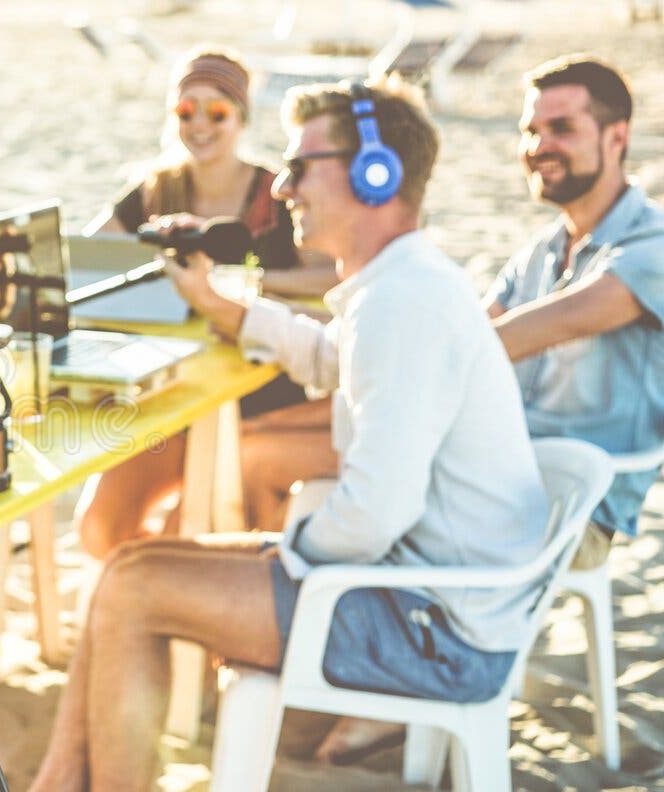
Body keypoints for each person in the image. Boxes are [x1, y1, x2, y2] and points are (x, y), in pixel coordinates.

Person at [28, 75, 551, 791]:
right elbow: (327, 356)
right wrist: (213, 300)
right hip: (418, 591)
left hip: (432, 628)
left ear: (376, 175)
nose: (282, 188)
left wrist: (272, 561)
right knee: (130, 569)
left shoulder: (404, 304)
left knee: (132, 588)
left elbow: (374, 513)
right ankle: (61, 781)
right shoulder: (400, 286)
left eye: (301, 167)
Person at [271, 53, 664, 764]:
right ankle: (301, 649)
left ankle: (354, 667)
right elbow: (459, 335)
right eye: (530, 128)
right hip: (488, 472)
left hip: (563, 509)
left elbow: (520, 333)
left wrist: (414, 339)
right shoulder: (541, 250)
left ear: (617, 137)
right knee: (290, 440)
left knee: (322, 454)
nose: (538, 144)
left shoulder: (651, 247)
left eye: (562, 127)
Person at [74, 46, 335, 558]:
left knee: (194, 530)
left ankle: (164, 592)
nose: (199, 124)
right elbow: (87, 261)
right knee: (99, 530)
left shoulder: (276, 193)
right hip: (166, 392)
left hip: (257, 391)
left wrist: (240, 283)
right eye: (184, 111)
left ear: (241, 117)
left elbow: (330, 275)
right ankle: (151, 592)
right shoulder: (155, 190)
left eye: (216, 111)